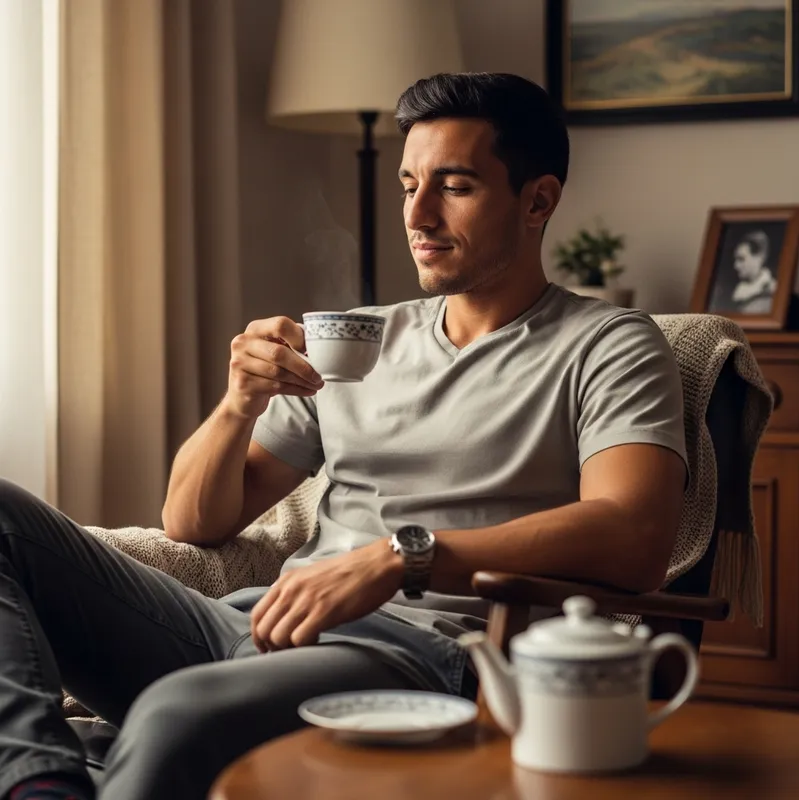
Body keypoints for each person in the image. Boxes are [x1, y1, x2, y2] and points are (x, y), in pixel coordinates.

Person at [0, 73, 687, 800]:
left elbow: (633, 534)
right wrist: (238, 403)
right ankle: (41, 784)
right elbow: (194, 520)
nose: (418, 214)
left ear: (537, 201)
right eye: (407, 184)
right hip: (251, 625)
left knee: (173, 716)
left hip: (420, 656)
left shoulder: (609, 344)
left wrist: (399, 557)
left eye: (454, 186)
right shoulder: (361, 338)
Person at [731, 230, 776, 314]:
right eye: (736, 259)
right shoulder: (737, 294)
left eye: (741, 259)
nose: (736, 265)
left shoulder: (772, 293)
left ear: (759, 258)